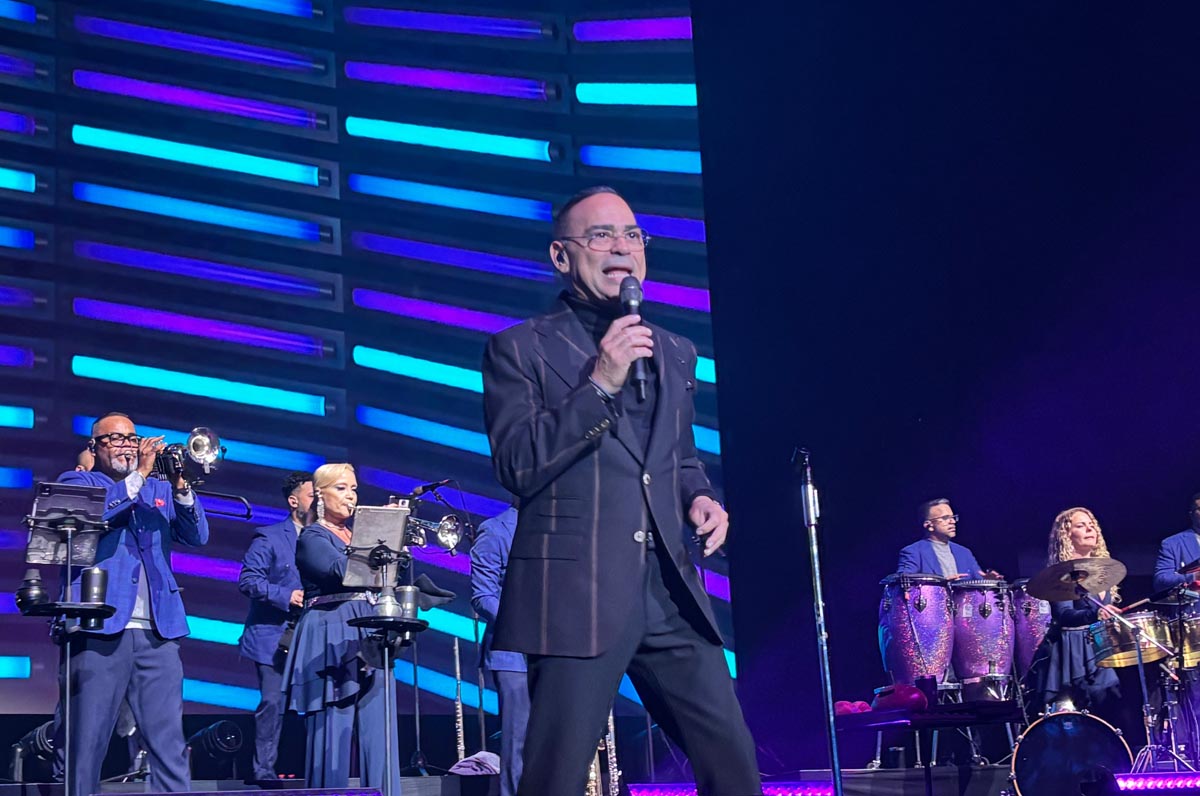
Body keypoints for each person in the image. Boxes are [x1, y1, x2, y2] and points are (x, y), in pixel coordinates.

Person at [481, 185, 761, 796]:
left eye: (632, 235)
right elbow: (517, 463)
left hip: (669, 589)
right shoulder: (519, 348)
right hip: (575, 593)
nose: (622, 248)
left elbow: (678, 457)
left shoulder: (675, 351)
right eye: (601, 236)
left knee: (734, 767)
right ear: (562, 256)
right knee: (554, 779)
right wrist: (600, 385)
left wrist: (699, 496)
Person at [55, 411, 209, 796]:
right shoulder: (78, 481)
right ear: (95, 447)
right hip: (99, 626)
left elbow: (197, 535)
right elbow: (95, 514)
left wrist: (181, 486)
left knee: (169, 743)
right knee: (87, 742)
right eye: (115, 439)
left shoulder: (158, 489)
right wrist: (138, 475)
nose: (126, 445)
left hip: (159, 629)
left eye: (131, 438)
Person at [281, 463, 400, 796]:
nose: (351, 496)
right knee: (332, 736)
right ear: (320, 495)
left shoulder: (356, 535)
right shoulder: (312, 536)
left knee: (381, 734)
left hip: (371, 632)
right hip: (330, 633)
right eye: (341, 488)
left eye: (354, 489)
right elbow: (339, 570)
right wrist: (380, 531)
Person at [238, 471, 312, 783]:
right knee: (272, 702)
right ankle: (263, 770)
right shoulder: (269, 537)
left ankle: (318, 768)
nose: (319, 502)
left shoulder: (333, 538)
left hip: (315, 635)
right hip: (274, 635)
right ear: (294, 501)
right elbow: (248, 580)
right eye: (313, 496)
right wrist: (286, 595)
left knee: (317, 703)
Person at [1025, 507, 1122, 715]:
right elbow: (1064, 615)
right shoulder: (1061, 574)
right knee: (1070, 719)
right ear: (1066, 536)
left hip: (1098, 646)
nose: (1090, 529)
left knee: (1108, 709)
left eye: (1091, 525)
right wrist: (1095, 615)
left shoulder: (1103, 572)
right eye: (1081, 525)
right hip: (1071, 651)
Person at [469, 505, 526, 796]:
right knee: (518, 744)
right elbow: (482, 596)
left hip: (554, 651)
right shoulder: (495, 529)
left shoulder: (555, 527)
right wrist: (522, 621)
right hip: (513, 653)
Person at [897, 498, 997, 579]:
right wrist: (941, 584)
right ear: (929, 525)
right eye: (945, 518)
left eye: (953, 517)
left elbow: (978, 584)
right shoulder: (913, 551)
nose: (952, 521)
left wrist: (988, 581)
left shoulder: (964, 552)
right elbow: (904, 581)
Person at [1152, 492, 1200, 594]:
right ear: (1191, 514)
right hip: (1193, 608)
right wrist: (1195, 576)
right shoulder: (1172, 543)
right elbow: (1160, 582)